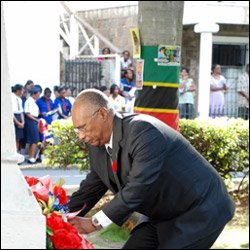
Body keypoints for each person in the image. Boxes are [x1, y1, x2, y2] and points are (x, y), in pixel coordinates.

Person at [68, 89, 235, 249]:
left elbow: (138, 188)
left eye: (83, 128)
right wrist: (55, 214)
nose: (81, 136)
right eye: (77, 130)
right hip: (162, 213)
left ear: (103, 114)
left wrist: (94, 223)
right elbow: (90, 189)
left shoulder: (143, 131)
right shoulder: (98, 144)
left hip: (199, 209)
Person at [24, 86, 41, 164]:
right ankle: (31, 157)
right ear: (34, 94)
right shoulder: (29, 101)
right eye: (38, 94)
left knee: (35, 140)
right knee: (33, 140)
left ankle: (33, 156)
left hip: (34, 120)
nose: (39, 95)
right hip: (31, 120)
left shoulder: (33, 101)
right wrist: (36, 120)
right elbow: (28, 114)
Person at [11, 84, 25, 153]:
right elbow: (11, 112)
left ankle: (17, 152)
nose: (23, 92)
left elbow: (21, 112)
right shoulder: (11, 97)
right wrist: (17, 122)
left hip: (19, 117)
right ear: (18, 90)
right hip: (13, 118)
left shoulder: (19, 99)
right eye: (22, 90)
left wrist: (22, 122)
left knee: (18, 138)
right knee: (13, 137)